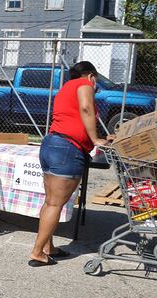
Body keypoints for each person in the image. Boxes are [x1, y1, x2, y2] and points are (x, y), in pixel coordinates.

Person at [29, 61, 110, 267]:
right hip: (67, 149)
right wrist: (95, 139)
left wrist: (100, 136)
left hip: (52, 144)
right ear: (91, 76)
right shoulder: (84, 85)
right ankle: (38, 252)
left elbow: (74, 116)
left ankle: (48, 247)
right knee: (55, 203)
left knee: (50, 202)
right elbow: (86, 108)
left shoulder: (66, 88)